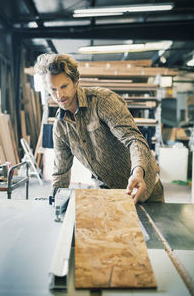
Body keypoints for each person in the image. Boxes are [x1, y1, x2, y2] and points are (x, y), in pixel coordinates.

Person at [34, 53, 164, 204]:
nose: (59, 95)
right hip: (108, 192)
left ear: (76, 81)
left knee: (150, 227)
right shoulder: (60, 126)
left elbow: (134, 139)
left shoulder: (102, 101)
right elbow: (61, 171)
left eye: (64, 86)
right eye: (53, 89)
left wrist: (138, 172)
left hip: (144, 187)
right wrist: (54, 201)